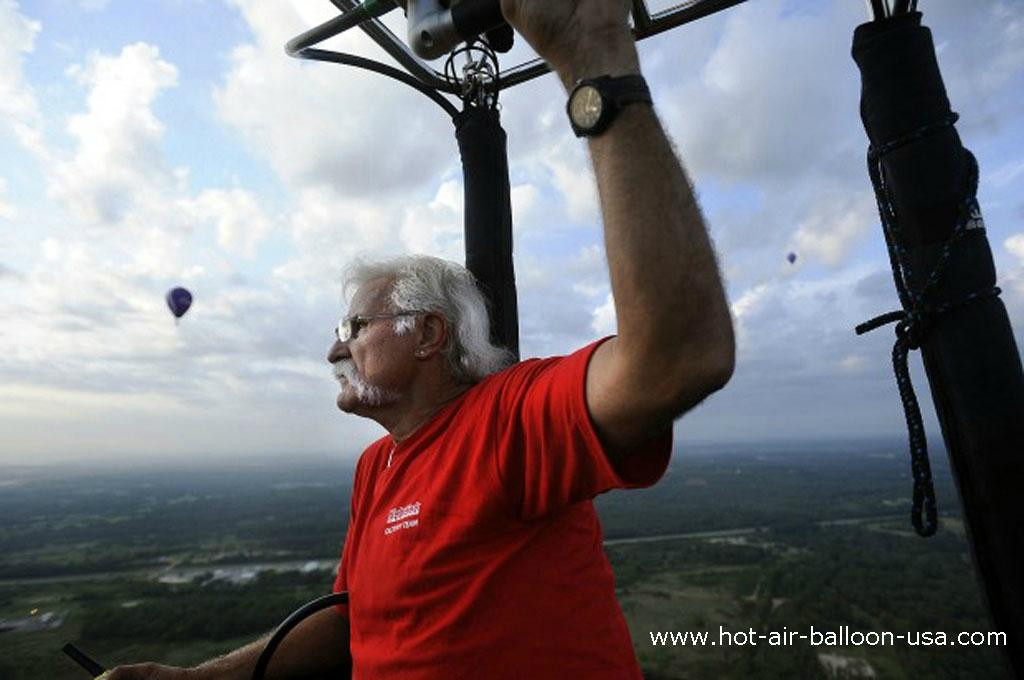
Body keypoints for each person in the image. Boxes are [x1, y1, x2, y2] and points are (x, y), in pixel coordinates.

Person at [106, 0, 734, 677]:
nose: (333, 351)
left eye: (353, 327)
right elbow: (353, 619)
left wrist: (594, 55)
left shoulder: (507, 420)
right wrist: (196, 678)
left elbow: (679, 354)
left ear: (430, 333)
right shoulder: (377, 469)